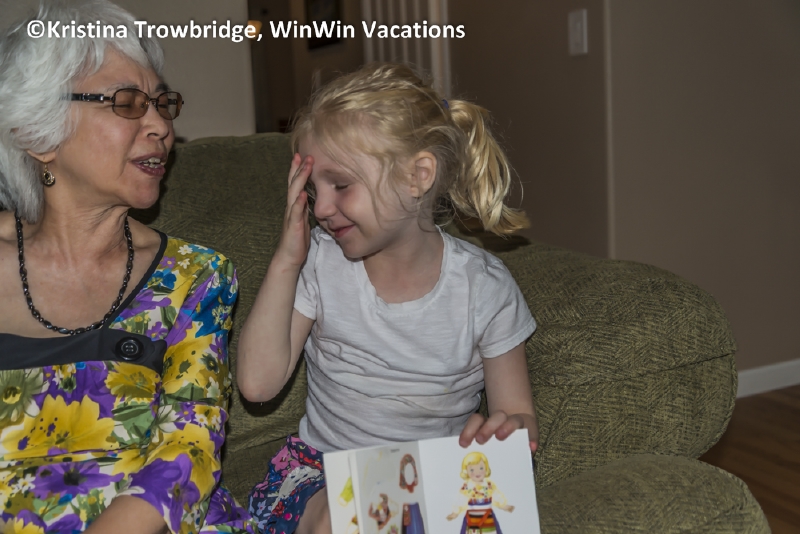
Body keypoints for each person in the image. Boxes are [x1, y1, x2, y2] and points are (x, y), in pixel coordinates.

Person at [238, 63, 538, 534]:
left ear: (417, 176)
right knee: (344, 518)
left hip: (430, 481)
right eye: (313, 190)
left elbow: (518, 415)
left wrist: (506, 431)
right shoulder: (319, 263)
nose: (322, 208)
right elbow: (257, 386)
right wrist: (285, 261)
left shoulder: (484, 289)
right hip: (322, 475)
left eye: (341, 185)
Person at [0, 1, 256, 532]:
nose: (160, 125)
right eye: (127, 104)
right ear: (36, 132)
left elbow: (190, 447)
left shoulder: (196, 276)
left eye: (162, 103)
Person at [446, 452, 513, 534]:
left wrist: (504, 506)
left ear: (486, 468)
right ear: (466, 471)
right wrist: (455, 513)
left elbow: (497, 496)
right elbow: (460, 499)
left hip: (488, 517)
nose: (477, 472)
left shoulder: (489, 485)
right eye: (472, 470)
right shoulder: (467, 486)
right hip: (472, 518)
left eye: (481, 468)